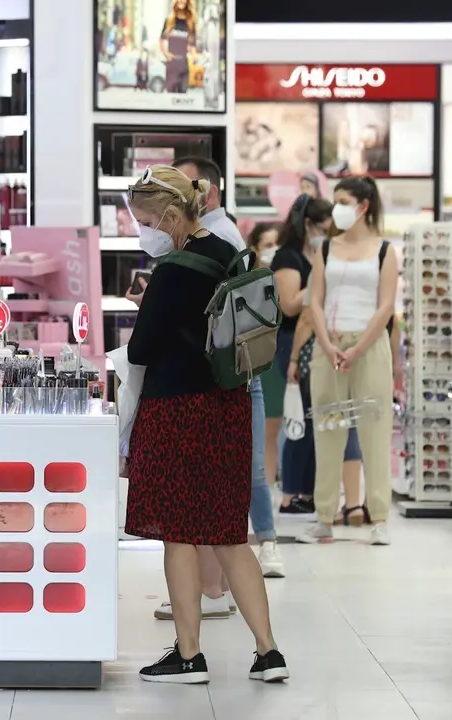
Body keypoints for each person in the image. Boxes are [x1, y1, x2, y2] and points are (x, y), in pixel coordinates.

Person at [122, 165, 287, 684]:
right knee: (229, 534)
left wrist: (150, 308)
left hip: (178, 411)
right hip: (228, 408)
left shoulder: (172, 271)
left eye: (146, 220)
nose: (142, 230)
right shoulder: (228, 253)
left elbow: (141, 348)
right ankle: (268, 652)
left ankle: (189, 655)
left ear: (169, 216)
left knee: (179, 535)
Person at [175, 156, 283, 577]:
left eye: (180, 186)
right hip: (228, 370)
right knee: (231, 473)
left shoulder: (216, 235)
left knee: (241, 471)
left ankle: (263, 547)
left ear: (209, 191)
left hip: (228, 372)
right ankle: (224, 575)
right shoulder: (209, 234)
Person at [300, 176, 397, 546]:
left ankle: (380, 516)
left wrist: (357, 349)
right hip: (330, 346)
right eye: (334, 200)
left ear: (363, 206)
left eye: (343, 200)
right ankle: (324, 515)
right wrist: (327, 345)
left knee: (375, 430)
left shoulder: (385, 250)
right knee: (327, 431)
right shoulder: (324, 249)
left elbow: (386, 306)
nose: (336, 207)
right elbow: (315, 302)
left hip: (369, 347)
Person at [269, 195, 333, 515]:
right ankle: (291, 492)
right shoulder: (288, 257)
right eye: (323, 227)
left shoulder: (313, 255)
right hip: (292, 341)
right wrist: (321, 285)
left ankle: (306, 491)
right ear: (308, 225)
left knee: (311, 420)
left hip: (313, 342)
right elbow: (288, 304)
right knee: (299, 420)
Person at [248, 223, 284, 492]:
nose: (273, 250)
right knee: (266, 429)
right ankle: (267, 485)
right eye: (267, 244)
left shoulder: (286, 276)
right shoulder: (251, 282)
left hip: (282, 355)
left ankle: (273, 484)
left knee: (280, 425)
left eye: (276, 244)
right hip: (262, 359)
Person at [160, 0, 195, 94]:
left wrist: (192, 52)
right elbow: (161, 39)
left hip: (184, 64)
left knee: (182, 97)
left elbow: (193, 43)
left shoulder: (190, 22)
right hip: (172, 65)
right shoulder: (169, 21)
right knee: (171, 97)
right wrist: (166, 54)